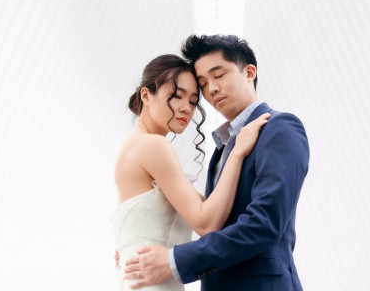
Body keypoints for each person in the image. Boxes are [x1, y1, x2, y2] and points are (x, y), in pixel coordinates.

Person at [124, 35, 309, 291]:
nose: (211, 89)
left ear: (249, 72)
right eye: (203, 84)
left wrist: (175, 260)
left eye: (218, 75)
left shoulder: (279, 128)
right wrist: (134, 243)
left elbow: (264, 224)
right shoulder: (225, 146)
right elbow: (212, 215)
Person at [113, 54, 269, 291]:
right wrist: (237, 151)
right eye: (177, 96)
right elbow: (206, 223)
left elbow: (207, 209)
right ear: (146, 95)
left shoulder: (132, 146)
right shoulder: (154, 146)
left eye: (194, 101)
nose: (186, 108)